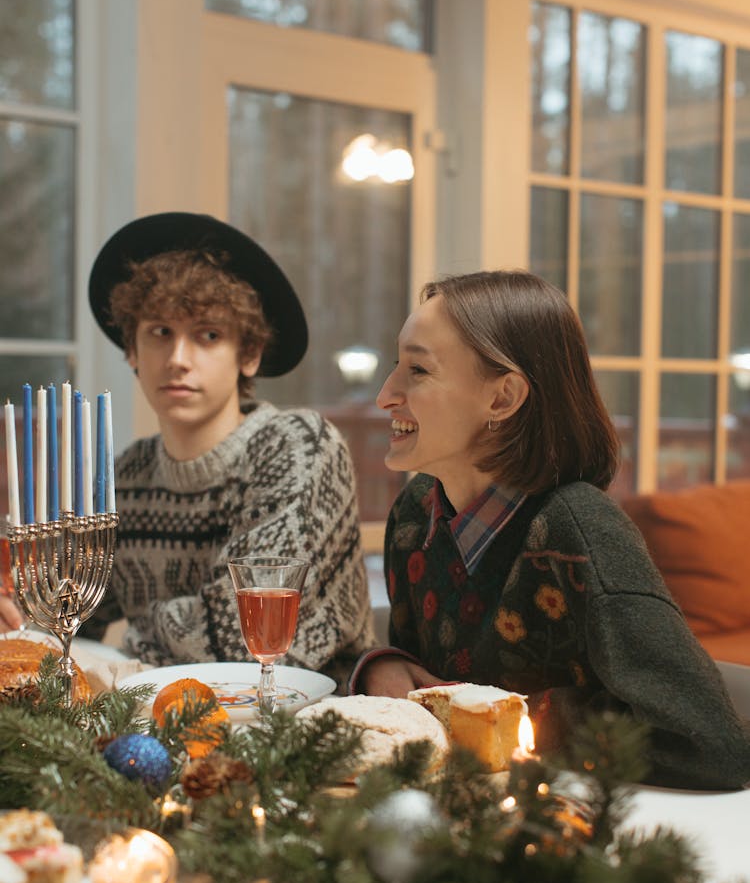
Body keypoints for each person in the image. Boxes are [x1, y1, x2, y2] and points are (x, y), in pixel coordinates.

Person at [350, 269, 750, 790]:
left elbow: (710, 745)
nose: (385, 395)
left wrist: (512, 717)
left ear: (503, 399)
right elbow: (433, 692)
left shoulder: (581, 530)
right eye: (396, 366)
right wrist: (386, 667)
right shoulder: (414, 513)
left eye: (418, 370)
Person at [0, 212, 373, 687]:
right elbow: (62, 611)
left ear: (249, 354)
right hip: (162, 730)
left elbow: (245, 641)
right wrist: (18, 608)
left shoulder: (298, 446)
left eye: (208, 335)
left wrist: (139, 630)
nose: (177, 359)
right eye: (160, 333)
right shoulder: (130, 474)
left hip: (304, 730)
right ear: (131, 350)